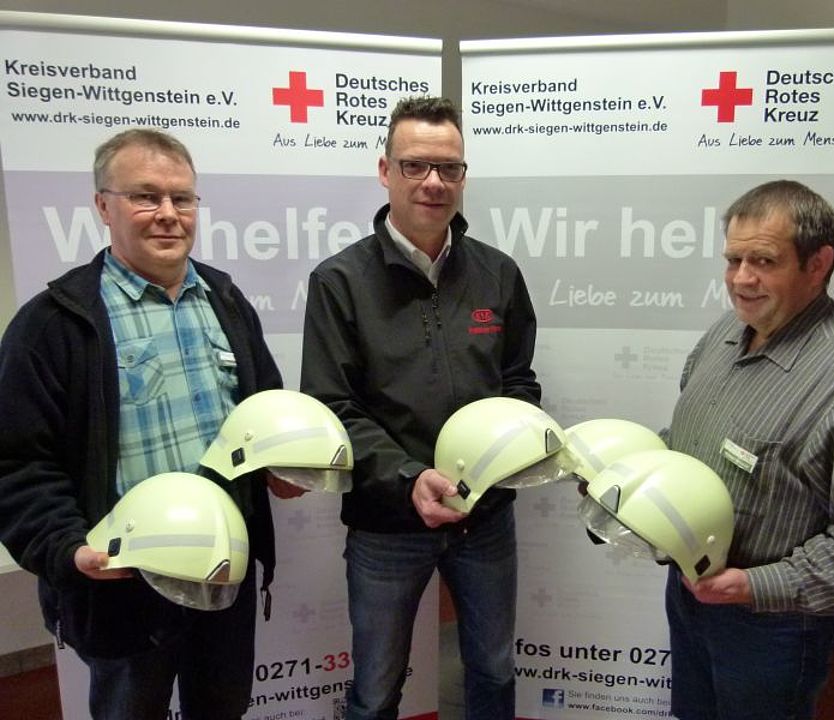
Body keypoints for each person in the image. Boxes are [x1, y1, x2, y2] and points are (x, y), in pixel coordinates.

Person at [0, 128, 300, 720]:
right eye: (145, 196)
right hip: (123, 584)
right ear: (103, 206)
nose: (168, 213)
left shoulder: (226, 301)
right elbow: (17, 462)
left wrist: (279, 465)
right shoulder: (54, 324)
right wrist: (67, 549)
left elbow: (262, 412)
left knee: (223, 708)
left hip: (223, 570)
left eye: (181, 198)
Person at [300, 96, 541, 720]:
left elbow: (519, 381)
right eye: (415, 165)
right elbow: (332, 406)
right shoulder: (340, 281)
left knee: (493, 669)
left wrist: (505, 454)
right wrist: (408, 479)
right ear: (386, 171)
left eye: (448, 168)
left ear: (463, 176)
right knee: (376, 689)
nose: (434, 182)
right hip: (387, 525)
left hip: (484, 518)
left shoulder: (498, 274)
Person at [663, 180, 834, 720]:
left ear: (818, 264)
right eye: (733, 260)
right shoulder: (725, 332)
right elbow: (691, 440)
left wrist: (757, 586)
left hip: (774, 624)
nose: (741, 279)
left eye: (763, 261)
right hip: (691, 594)